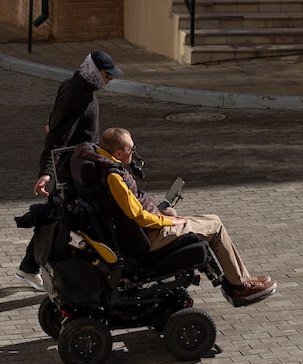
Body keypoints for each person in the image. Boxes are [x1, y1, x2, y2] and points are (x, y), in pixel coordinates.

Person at [73, 127, 277, 306]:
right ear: (118, 152)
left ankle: (242, 277)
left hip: (139, 231)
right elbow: (138, 217)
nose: (134, 153)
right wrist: (167, 221)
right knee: (215, 227)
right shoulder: (114, 177)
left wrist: (165, 215)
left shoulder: (98, 161)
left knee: (196, 216)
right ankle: (240, 286)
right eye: (131, 149)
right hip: (147, 236)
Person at [15, 51, 123, 291]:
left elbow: (55, 122)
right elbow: (58, 135)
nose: (110, 80)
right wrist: (47, 172)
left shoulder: (77, 87)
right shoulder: (77, 95)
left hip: (76, 167)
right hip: (71, 171)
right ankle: (38, 269)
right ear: (95, 72)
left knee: (58, 218)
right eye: (107, 75)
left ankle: (29, 268)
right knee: (62, 220)